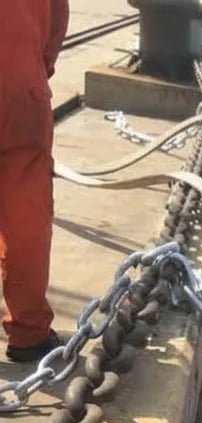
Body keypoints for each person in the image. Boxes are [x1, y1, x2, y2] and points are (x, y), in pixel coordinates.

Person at [0, 0, 69, 363]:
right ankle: (28, 332)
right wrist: (34, 67)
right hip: (21, 87)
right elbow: (56, 20)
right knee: (26, 214)